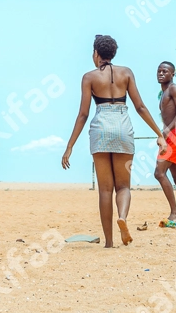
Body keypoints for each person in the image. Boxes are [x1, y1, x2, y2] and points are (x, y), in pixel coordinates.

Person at [61, 35, 167, 248]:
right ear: (113, 53)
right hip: (122, 128)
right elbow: (140, 107)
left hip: (100, 129)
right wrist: (159, 134)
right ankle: (123, 217)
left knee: (105, 190)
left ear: (96, 54)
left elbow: (82, 114)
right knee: (123, 186)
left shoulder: (88, 77)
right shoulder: (126, 73)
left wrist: (70, 145)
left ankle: (109, 242)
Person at [154, 60, 176, 225]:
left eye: (165, 71)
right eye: (159, 71)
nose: (161, 73)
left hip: (174, 135)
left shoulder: (174, 89)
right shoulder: (163, 93)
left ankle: (175, 213)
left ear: (172, 74)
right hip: (174, 135)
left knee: (159, 173)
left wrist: (166, 131)